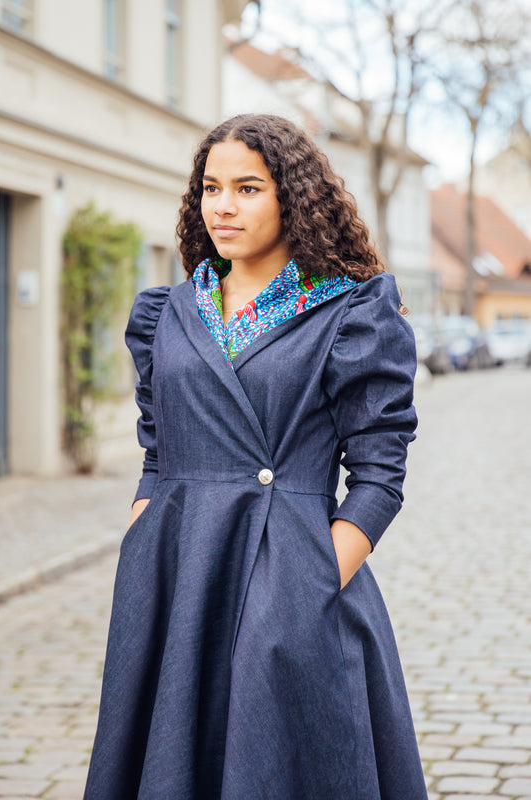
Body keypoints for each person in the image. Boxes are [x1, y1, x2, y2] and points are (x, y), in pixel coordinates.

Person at [83, 113, 427, 800]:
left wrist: (309, 581)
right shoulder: (170, 312)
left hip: (291, 573)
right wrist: (144, 527)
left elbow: (379, 474)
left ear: (290, 197)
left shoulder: (348, 312)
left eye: (247, 188)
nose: (222, 207)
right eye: (211, 188)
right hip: (176, 577)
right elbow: (158, 445)